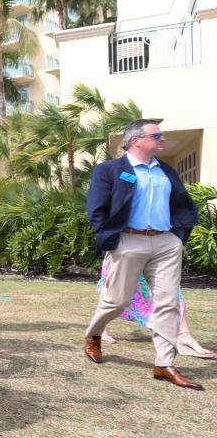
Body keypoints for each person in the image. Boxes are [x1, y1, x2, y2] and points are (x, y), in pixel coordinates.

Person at [83, 119, 201, 389]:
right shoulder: (110, 170)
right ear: (136, 140)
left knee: (169, 303)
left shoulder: (166, 172)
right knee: (117, 301)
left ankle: (164, 364)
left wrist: (177, 236)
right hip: (127, 241)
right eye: (156, 135)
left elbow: (184, 205)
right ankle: (93, 335)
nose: (162, 139)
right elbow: (96, 210)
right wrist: (110, 238)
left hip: (165, 244)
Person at [97, 264, 214, 358]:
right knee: (112, 284)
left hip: (157, 243)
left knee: (170, 287)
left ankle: (184, 335)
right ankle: (101, 328)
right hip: (126, 245)